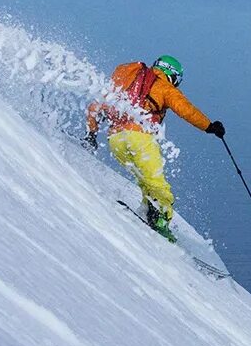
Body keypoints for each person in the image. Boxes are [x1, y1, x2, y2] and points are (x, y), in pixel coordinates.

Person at [84, 56, 225, 242]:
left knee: (145, 179)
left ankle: (148, 211)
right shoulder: (164, 87)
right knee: (158, 184)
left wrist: (91, 133)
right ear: (171, 75)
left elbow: (98, 104)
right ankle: (161, 222)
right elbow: (186, 110)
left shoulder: (129, 78)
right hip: (139, 138)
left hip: (116, 139)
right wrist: (209, 126)